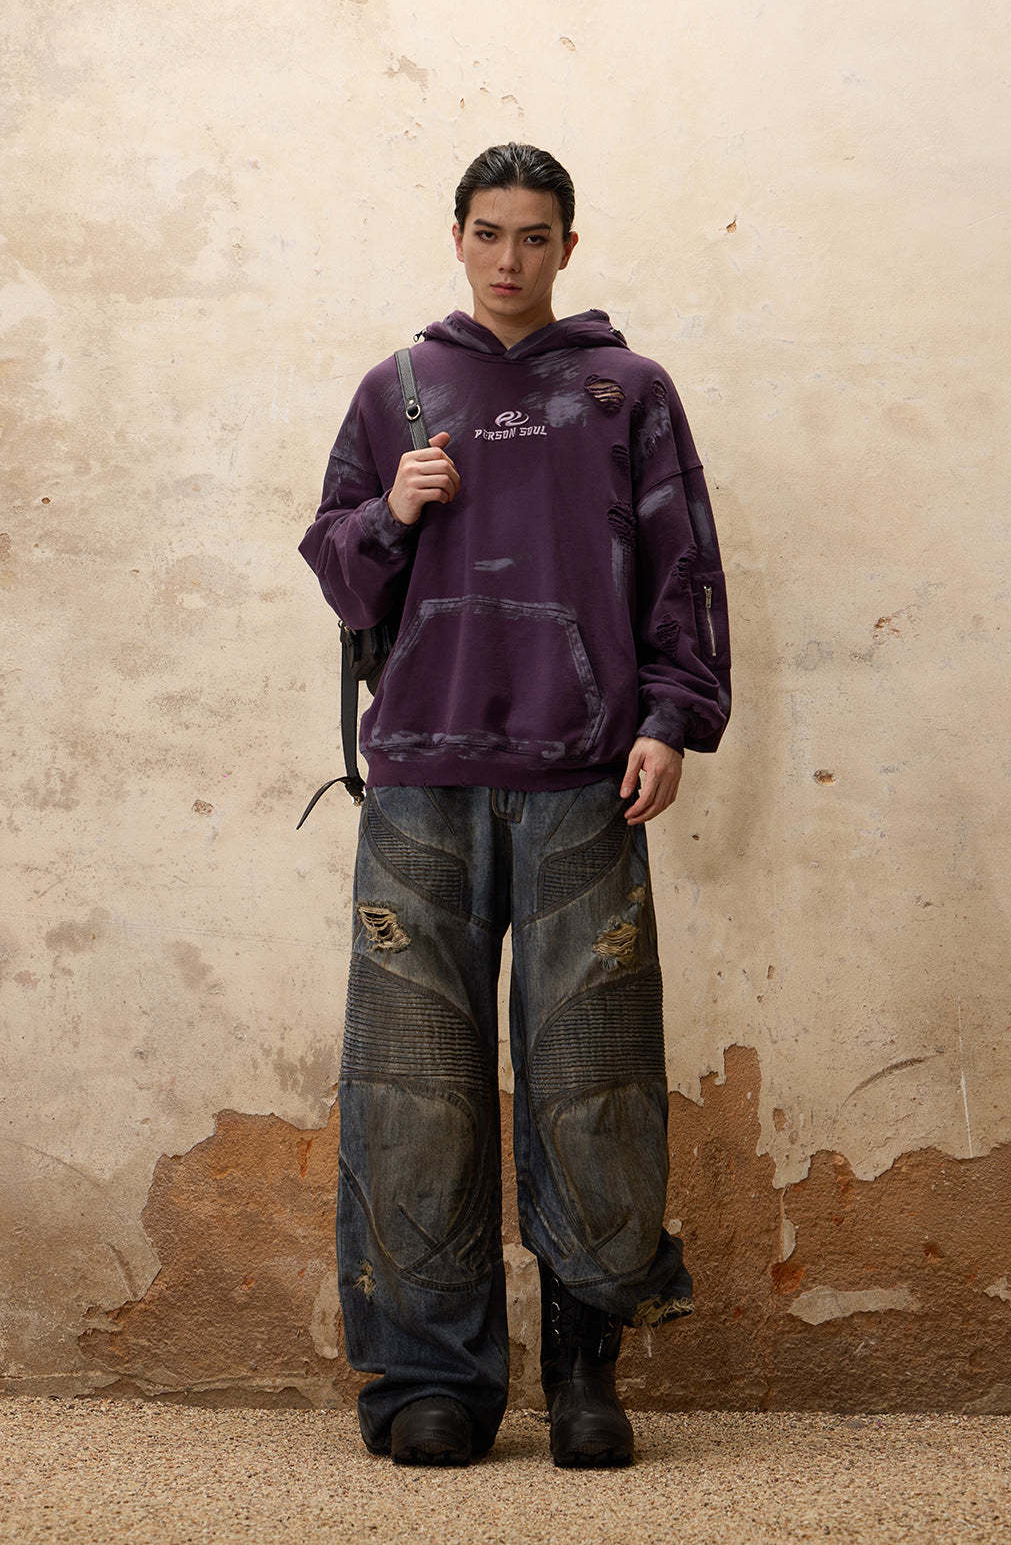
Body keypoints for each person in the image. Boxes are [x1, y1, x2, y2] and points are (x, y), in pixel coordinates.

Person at [299, 142, 731, 1468]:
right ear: (457, 236)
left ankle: (587, 1373)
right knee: (413, 1087)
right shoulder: (400, 388)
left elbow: (684, 568)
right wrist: (390, 509)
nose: (509, 259)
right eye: (488, 233)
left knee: (593, 1080)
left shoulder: (626, 392)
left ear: (567, 248)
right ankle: (430, 1379)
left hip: (584, 781)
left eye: (534, 236)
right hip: (421, 785)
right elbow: (339, 574)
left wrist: (669, 719)